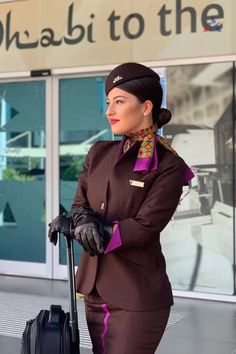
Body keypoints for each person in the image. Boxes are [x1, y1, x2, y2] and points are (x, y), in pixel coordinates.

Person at [48, 62, 194, 354]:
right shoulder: (99, 152)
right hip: (94, 291)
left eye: (119, 101)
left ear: (145, 107)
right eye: (107, 102)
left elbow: (145, 227)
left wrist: (92, 230)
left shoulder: (169, 165)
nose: (109, 111)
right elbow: (80, 204)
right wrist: (78, 221)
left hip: (136, 297)